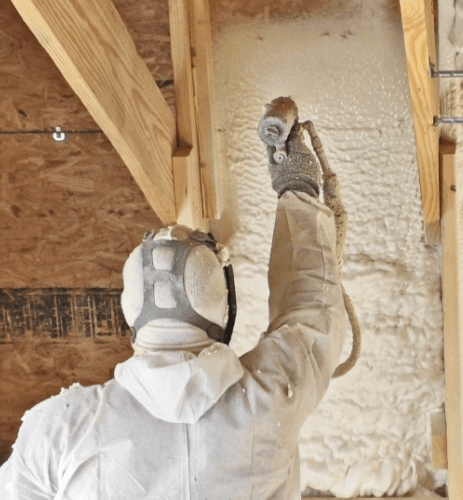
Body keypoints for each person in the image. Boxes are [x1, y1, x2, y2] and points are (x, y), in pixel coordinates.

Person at [0, 118, 347, 499]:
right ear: (223, 311)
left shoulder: (63, 428)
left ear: (131, 315)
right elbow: (312, 308)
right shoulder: (272, 399)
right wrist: (298, 185)